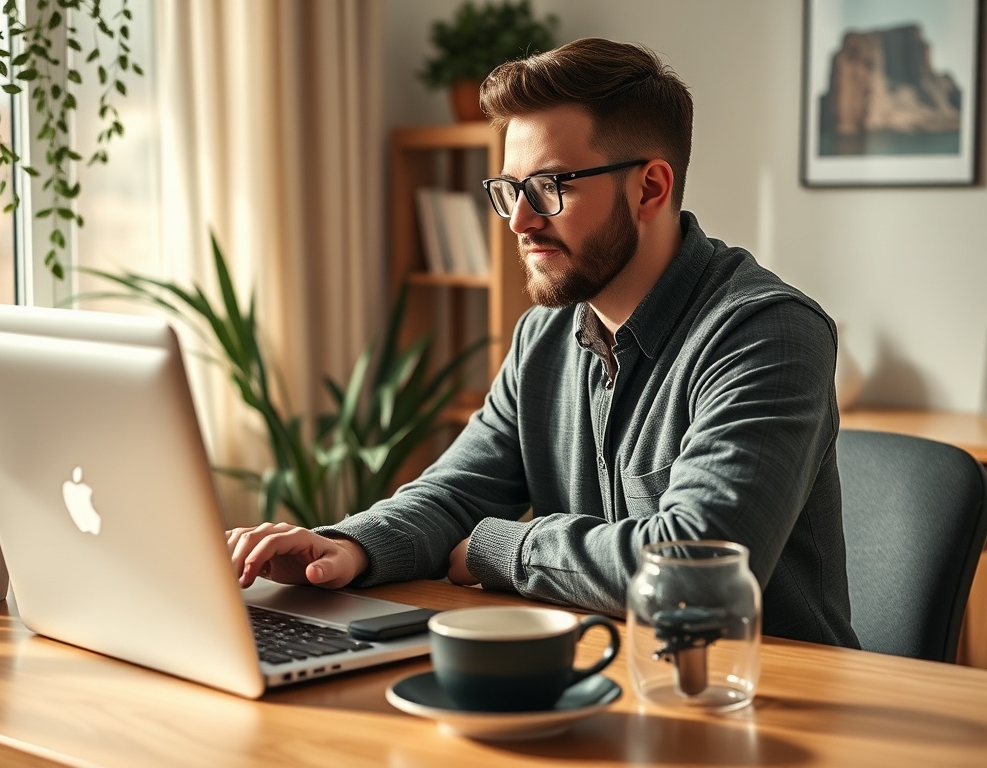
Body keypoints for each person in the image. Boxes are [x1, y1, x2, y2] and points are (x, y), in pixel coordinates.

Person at [228, 37, 860, 648]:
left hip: (759, 702)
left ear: (651, 188)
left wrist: (501, 546)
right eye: (509, 190)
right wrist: (347, 547)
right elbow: (457, 490)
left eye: (551, 187)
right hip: (600, 677)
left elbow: (694, 576)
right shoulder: (545, 334)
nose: (521, 220)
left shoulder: (767, 333)